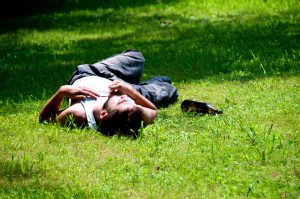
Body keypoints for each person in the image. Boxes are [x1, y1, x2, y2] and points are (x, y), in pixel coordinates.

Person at [39, 49, 178, 136]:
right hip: (121, 84)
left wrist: (62, 91)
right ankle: (146, 85)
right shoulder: (132, 112)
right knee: (168, 90)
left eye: (121, 100)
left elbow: (45, 119)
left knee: (138, 60)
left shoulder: (79, 114)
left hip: (90, 74)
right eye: (128, 100)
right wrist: (130, 92)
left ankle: (146, 84)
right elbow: (152, 110)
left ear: (104, 114)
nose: (124, 98)